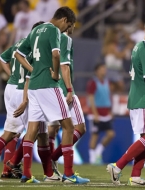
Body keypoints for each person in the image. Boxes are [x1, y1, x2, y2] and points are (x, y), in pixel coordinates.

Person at [14, 7, 89, 184]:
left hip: (33, 86)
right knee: (69, 127)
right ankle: (69, 175)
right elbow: (56, 55)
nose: (66, 30)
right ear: (64, 20)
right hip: (49, 86)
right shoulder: (54, 30)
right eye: (68, 26)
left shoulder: (35, 31)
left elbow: (18, 53)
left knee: (32, 130)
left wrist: (33, 70)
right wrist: (55, 74)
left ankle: (26, 174)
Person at [106, 17, 145, 186]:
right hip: (143, 98)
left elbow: (138, 73)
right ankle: (118, 165)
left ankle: (135, 176)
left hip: (136, 97)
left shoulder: (137, 47)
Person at [0, 21, 44, 179]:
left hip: (10, 88)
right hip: (22, 90)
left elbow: (2, 59)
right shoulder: (35, 46)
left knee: (12, 131)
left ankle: (8, 168)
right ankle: (14, 164)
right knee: (31, 129)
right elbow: (31, 74)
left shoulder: (19, 43)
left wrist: (11, 74)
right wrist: (25, 98)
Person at [47, 24, 87, 175]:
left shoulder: (52, 39)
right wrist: (69, 89)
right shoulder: (66, 39)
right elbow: (65, 66)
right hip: (65, 90)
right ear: (67, 22)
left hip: (51, 89)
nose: (75, 26)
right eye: (73, 23)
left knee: (51, 129)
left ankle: (47, 167)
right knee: (79, 128)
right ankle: (54, 159)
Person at [87, 63, 115, 164]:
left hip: (105, 113)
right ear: (97, 70)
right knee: (95, 135)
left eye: (105, 68)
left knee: (111, 134)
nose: (104, 70)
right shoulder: (93, 83)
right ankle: (92, 159)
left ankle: (98, 152)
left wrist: (110, 111)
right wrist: (95, 114)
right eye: (102, 68)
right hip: (96, 112)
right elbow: (91, 98)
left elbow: (109, 96)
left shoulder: (108, 82)